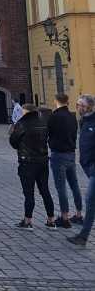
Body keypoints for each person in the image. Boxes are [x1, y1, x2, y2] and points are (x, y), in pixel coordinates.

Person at [9, 103, 56, 230]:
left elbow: (13, 142)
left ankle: (28, 221)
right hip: (43, 160)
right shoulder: (43, 122)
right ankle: (51, 220)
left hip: (27, 162)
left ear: (25, 112)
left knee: (29, 193)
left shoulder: (22, 124)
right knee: (45, 190)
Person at [47, 93, 84, 228]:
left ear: (55, 102)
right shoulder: (72, 116)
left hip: (58, 154)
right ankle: (79, 214)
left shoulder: (54, 117)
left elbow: (47, 133)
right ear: (68, 102)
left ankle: (64, 217)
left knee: (61, 186)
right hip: (71, 153)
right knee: (74, 184)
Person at [68, 94, 95, 247]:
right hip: (87, 166)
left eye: (79, 105)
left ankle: (83, 237)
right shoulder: (84, 120)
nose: (77, 107)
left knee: (90, 200)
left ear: (86, 107)